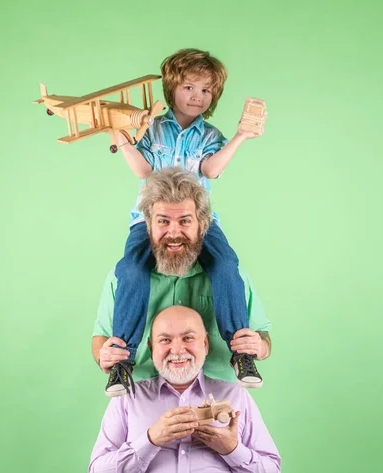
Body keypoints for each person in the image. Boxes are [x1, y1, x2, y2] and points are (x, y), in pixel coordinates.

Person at [106, 48, 265, 396]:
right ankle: (122, 360)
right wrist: (119, 137)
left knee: (225, 265)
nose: (197, 96)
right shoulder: (152, 129)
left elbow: (211, 169)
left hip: (198, 222)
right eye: (189, 87)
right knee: (131, 269)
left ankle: (241, 352)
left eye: (206, 91)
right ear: (172, 89)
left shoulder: (208, 135)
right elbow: (143, 171)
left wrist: (240, 136)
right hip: (152, 221)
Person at [94, 168, 271, 396]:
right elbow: (100, 336)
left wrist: (260, 347)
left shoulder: (230, 275)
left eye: (185, 221)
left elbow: (263, 335)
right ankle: (123, 367)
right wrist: (104, 355)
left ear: (203, 224)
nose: (173, 232)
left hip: (219, 396)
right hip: (141, 395)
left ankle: (241, 359)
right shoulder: (124, 277)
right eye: (163, 221)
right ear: (148, 225)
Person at [89, 305, 281, 472]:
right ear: (151, 347)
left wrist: (232, 450)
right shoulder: (128, 397)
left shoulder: (234, 394)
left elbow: (272, 468)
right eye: (165, 340)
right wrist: (150, 440)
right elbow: (97, 469)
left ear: (205, 344)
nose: (178, 350)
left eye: (188, 338)